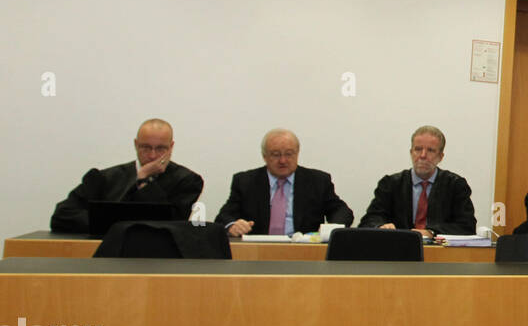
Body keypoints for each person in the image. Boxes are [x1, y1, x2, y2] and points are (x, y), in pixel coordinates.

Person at [50, 118, 203, 233]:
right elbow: (62, 216)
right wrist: (113, 223)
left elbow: (170, 223)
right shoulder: (103, 178)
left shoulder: (187, 181)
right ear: (136, 144)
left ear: (171, 147)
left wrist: (144, 181)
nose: (152, 155)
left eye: (161, 148)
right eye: (145, 147)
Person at [216, 128, 353, 237]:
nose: (283, 161)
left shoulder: (317, 181)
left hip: (304, 251)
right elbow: (224, 216)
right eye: (276, 154)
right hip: (258, 252)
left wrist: (331, 229)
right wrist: (233, 225)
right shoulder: (245, 182)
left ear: (297, 153)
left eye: (289, 154)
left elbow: (342, 211)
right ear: (264, 156)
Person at [358, 125, 476, 237]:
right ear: (411, 152)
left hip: (440, 254)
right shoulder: (391, 184)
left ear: (441, 157)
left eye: (430, 150)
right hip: (399, 251)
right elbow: (369, 220)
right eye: (418, 149)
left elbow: (467, 226)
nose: (423, 155)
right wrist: (380, 226)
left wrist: (432, 232)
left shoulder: (455, 185)